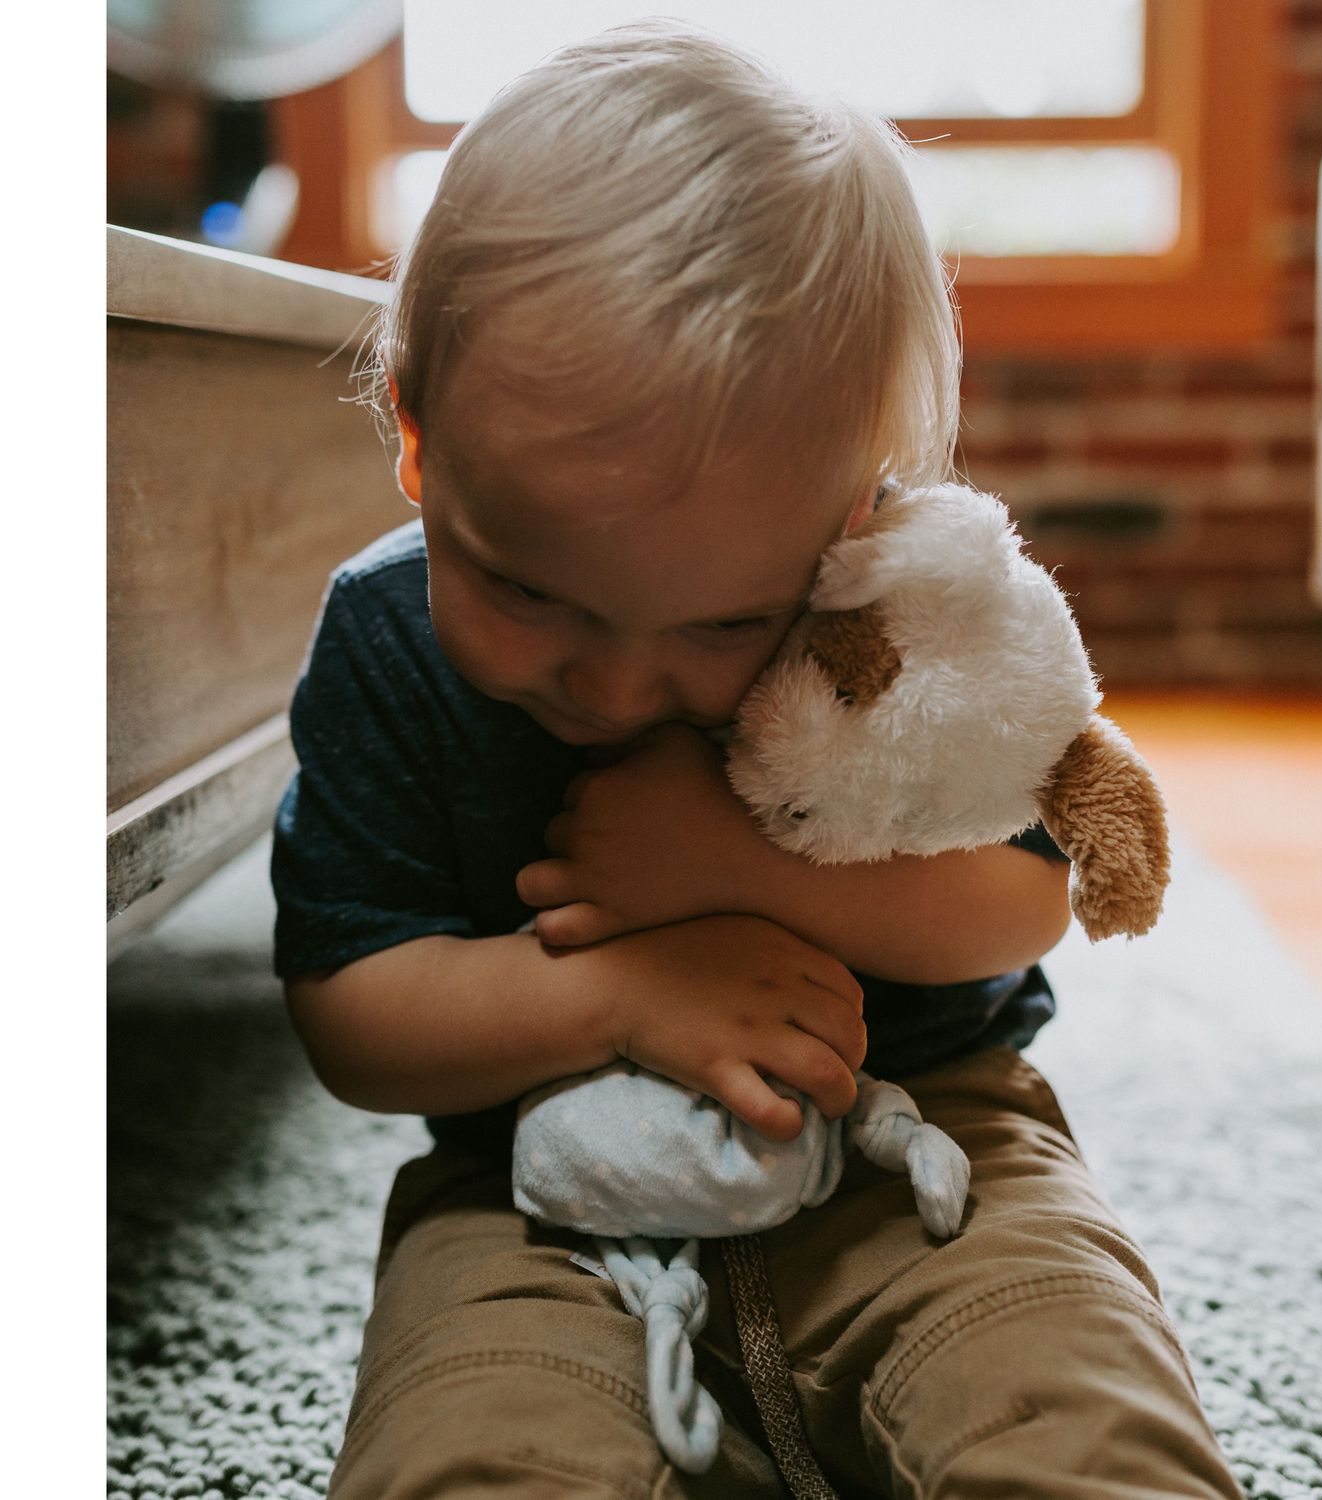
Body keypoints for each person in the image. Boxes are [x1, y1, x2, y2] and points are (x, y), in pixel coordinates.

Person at [272, 22, 1244, 1499]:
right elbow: (354, 1009)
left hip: (918, 1147)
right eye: (530, 592)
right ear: (417, 438)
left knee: (1077, 1407)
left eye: (726, 619)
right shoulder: (384, 641)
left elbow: (1022, 902)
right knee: (474, 1447)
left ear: (853, 515)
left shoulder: (901, 611)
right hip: (537, 1195)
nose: (613, 683)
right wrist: (616, 990)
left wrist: (732, 869)